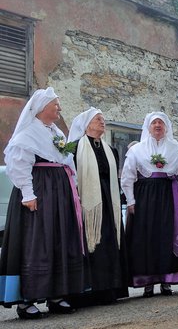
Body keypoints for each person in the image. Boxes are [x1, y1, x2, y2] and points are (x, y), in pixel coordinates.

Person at [0, 87, 85, 319]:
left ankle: (56, 295)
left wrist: (73, 189)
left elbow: (67, 162)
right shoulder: (27, 134)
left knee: (58, 240)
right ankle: (26, 300)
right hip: (39, 193)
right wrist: (28, 194)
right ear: (41, 108)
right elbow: (18, 165)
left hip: (59, 194)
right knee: (37, 242)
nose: (59, 108)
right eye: (55, 104)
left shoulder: (56, 132)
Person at [121, 112, 178, 297]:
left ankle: (166, 281)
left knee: (166, 237)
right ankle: (148, 282)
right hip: (145, 197)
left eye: (161, 122)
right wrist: (130, 200)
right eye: (154, 123)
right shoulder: (137, 149)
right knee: (147, 238)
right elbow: (128, 176)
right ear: (148, 127)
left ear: (166, 126)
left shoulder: (175, 148)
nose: (157, 125)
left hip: (170, 196)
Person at [68, 108, 129, 306]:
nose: (102, 122)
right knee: (91, 244)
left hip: (108, 202)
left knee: (109, 244)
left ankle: (108, 289)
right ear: (87, 124)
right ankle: (87, 292)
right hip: (87, 202)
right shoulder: (76, 148)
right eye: (98, 119)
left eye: (103, 119)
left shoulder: (110, 150)